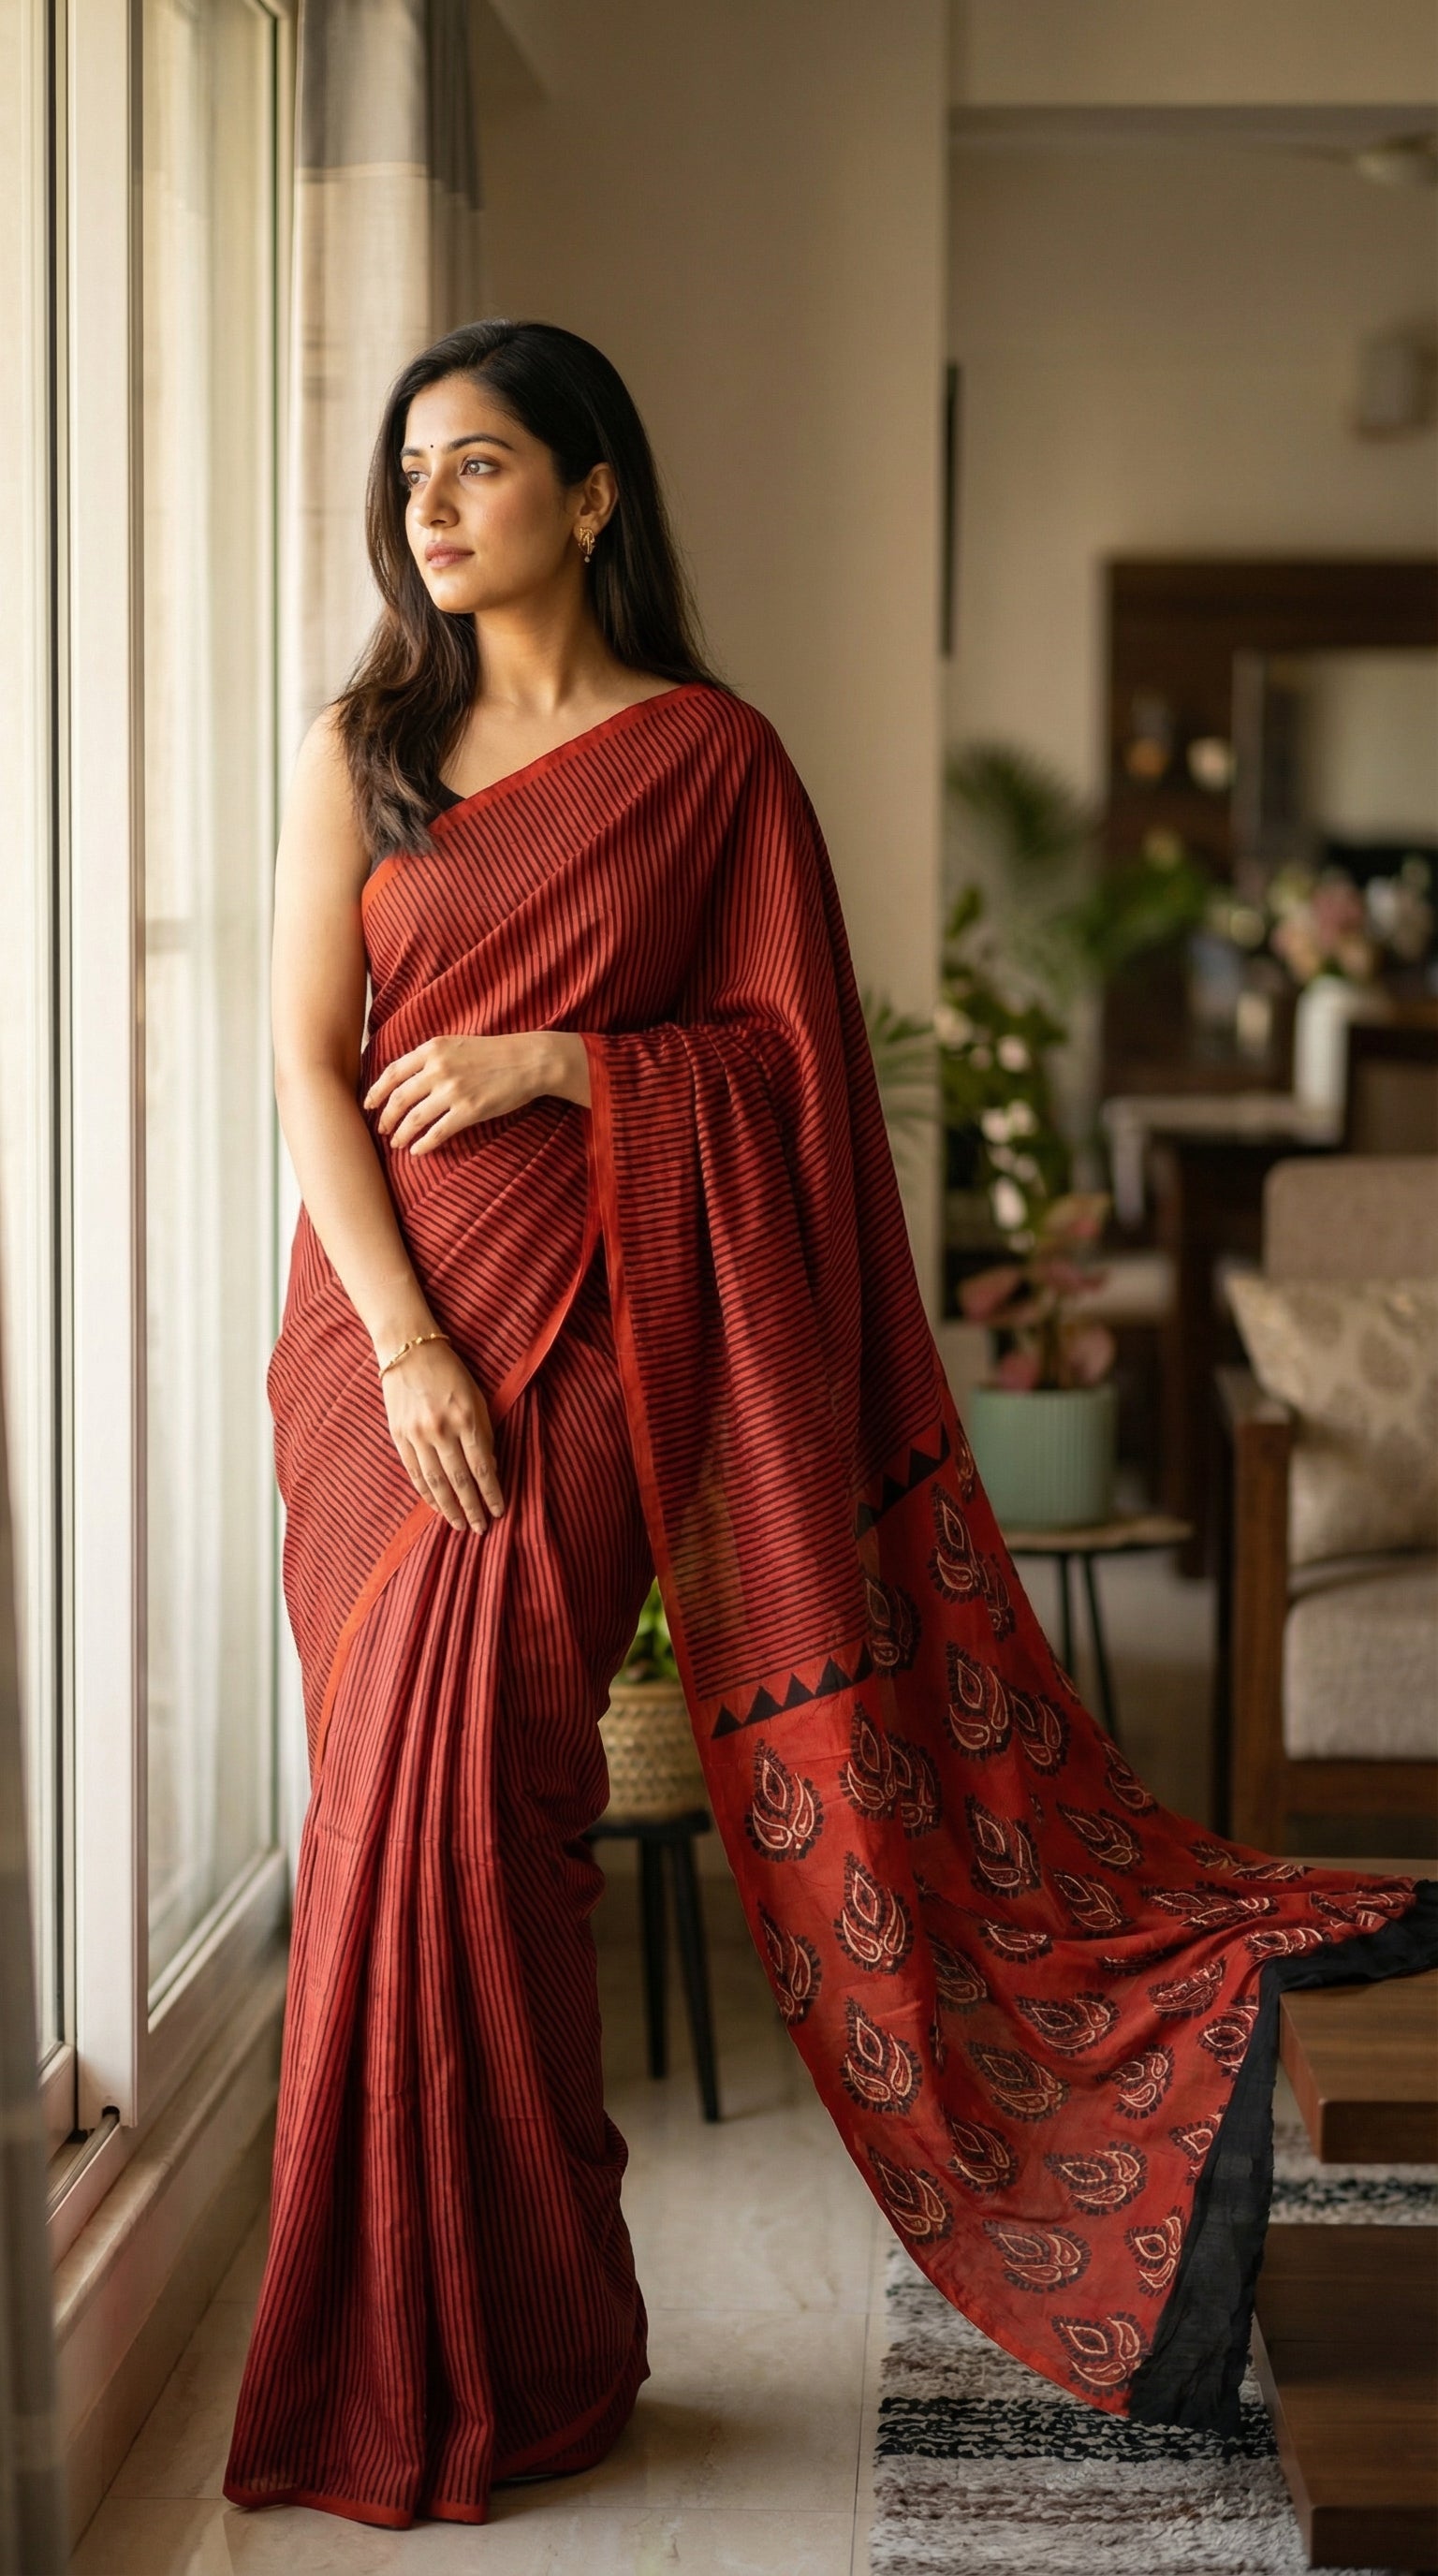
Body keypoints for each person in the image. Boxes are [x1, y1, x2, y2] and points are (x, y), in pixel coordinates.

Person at [224, 320, 1434, 2531]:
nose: (426, 505)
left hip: (593, 1326)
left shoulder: (712, 759)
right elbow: (309, 1060)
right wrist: (400, 1341)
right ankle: (430, 2334)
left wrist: (570, 1070)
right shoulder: (366, 745)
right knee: (386, 1812)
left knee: (482, 1800)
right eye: (409, 471)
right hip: (375, 1342)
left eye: (477, 463)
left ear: (593, 495)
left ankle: (520, 2336)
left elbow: (785, 1085)